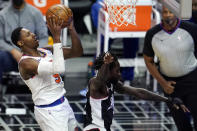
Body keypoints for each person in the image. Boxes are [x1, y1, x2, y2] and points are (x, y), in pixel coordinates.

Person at [83, 52, 189, 131]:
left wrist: (168, 100)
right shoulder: (95, 84)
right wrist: (105, 64)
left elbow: (140, 92)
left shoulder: (113, 83)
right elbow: (100, 79)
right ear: (108, 71)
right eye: (117, 71)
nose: (120, 74)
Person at [11, 15, 83, 131]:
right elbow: (58, 69)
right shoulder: (26, 63)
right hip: (49, 111)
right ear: (20, 43)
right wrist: (56, 37)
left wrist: (71, 28)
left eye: (32, 32)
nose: (34, 35)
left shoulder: (46, 51)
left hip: (63, 102)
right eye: (28, 35)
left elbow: (77, 52)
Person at [143, 6, 197, 131]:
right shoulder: (152, 34)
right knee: (181, 124)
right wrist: (163, 83)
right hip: (170, 86)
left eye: (171, 12)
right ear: (161, 14)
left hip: (193, 80)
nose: (168, 15)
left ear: (177, 13)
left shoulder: (192, 29)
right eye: (165, 12)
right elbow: (148, 61)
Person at [0, 0, 48, 86]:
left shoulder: (35, 13)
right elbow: (0, 40)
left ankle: (50, 91)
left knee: (51, 52)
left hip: (34, 57)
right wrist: (12, 51)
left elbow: (44, 37)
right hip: (12, 58)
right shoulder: (2, 15)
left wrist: (33, 51)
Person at [91, 0, 139, 85]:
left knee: (132, 37)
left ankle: (127, 77)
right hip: (108, 7)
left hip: (128, 8)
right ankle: (97, 77)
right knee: (96, 8)